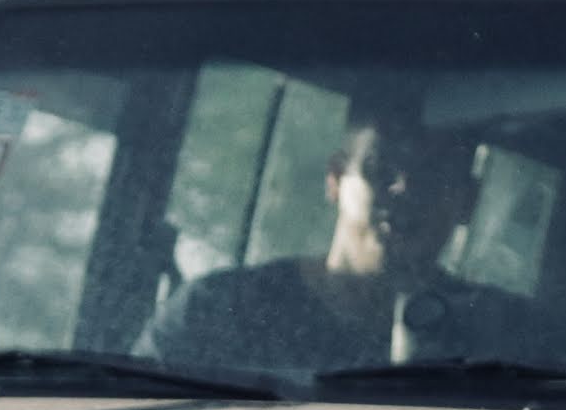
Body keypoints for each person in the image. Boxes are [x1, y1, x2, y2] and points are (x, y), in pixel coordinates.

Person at [152, 112, 478, 375]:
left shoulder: (494, 333)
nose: (404, 191)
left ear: (468, 201)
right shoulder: (218, 309)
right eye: (381, 169)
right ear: (336, 178)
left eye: (434, 175)